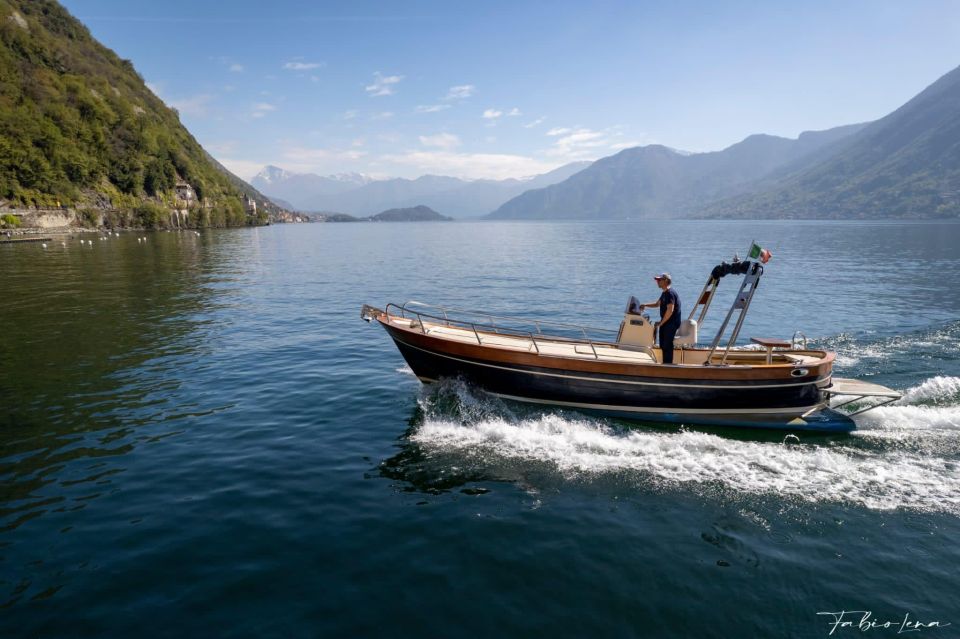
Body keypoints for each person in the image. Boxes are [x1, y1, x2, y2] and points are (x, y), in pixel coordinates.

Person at [639, 272, 682, 364]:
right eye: (657, 280)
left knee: (667, 345)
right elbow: (657, 304)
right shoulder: (664, 293)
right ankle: (665, 364)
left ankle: (668, 366)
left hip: (671, 323)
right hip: (666, 322)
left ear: (666, 281)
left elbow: (670, 310)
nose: (657, 282)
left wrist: (661, 323)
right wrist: (645, 305)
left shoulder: (670, 293)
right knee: (663, 345)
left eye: (659, 280)